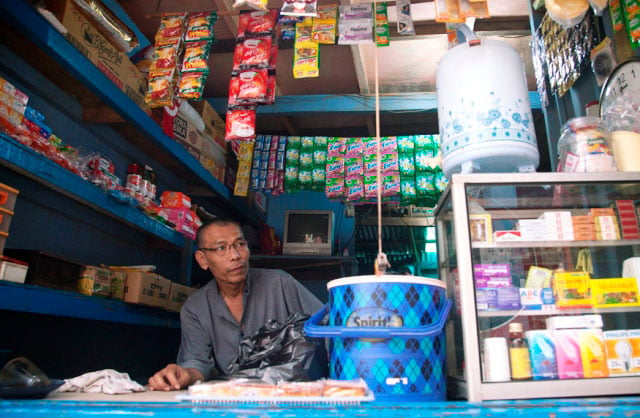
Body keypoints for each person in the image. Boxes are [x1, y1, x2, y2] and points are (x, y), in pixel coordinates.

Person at [148, 218, 326, 391]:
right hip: (236, 397)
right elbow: (198, 362)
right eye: (221, 248)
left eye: (240, 244)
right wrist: (185, 373)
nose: (235, 255)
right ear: (202, 259)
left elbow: (327, 324)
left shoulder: (280, 283)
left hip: (292, 393)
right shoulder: (195, 308)